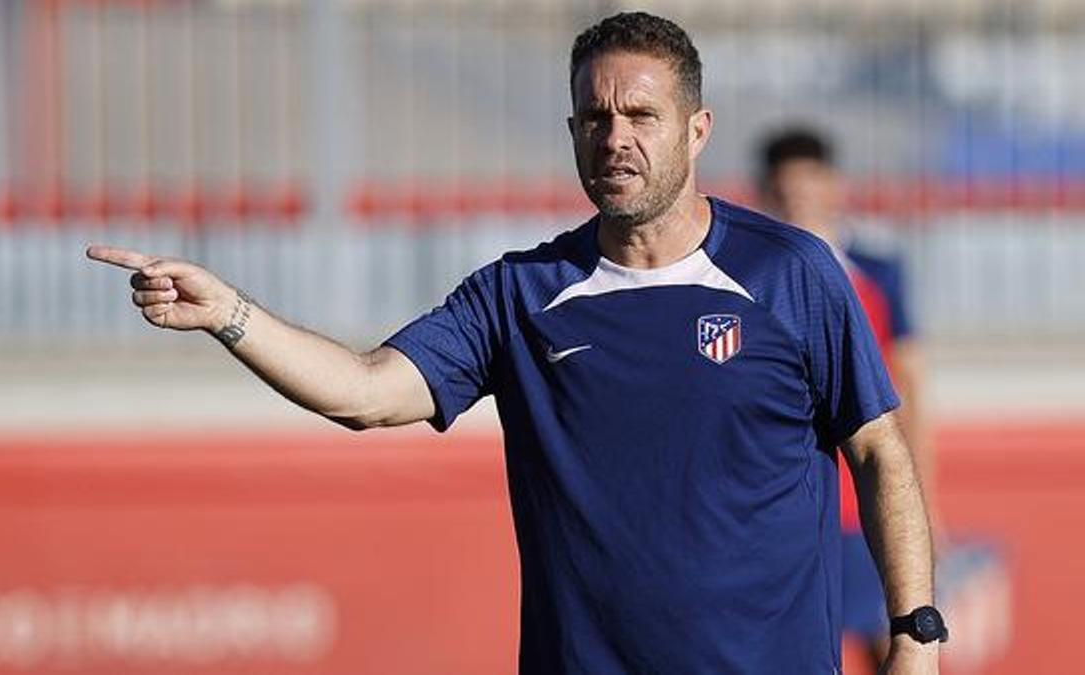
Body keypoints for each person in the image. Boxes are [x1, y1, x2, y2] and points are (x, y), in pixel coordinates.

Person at [87, 12, 943, 673]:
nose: (617, 139)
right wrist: (233, 313)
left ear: (697, 129)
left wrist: (916, 632)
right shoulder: (521, 293)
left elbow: (877, 449)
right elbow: (362, 388)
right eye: (594, 118)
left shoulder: (790, 272)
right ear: (572, 131)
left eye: (642, 114)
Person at [757, 127, 934, 671]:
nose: (799, 199)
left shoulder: (876, 272)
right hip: (781, 509)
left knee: (893, 636)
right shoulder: (745, 276)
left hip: (861, 505)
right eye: (786, 189)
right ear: (766, 193)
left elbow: (910, 389)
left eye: (809, 185)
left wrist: (926, 501)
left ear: (833, 186)